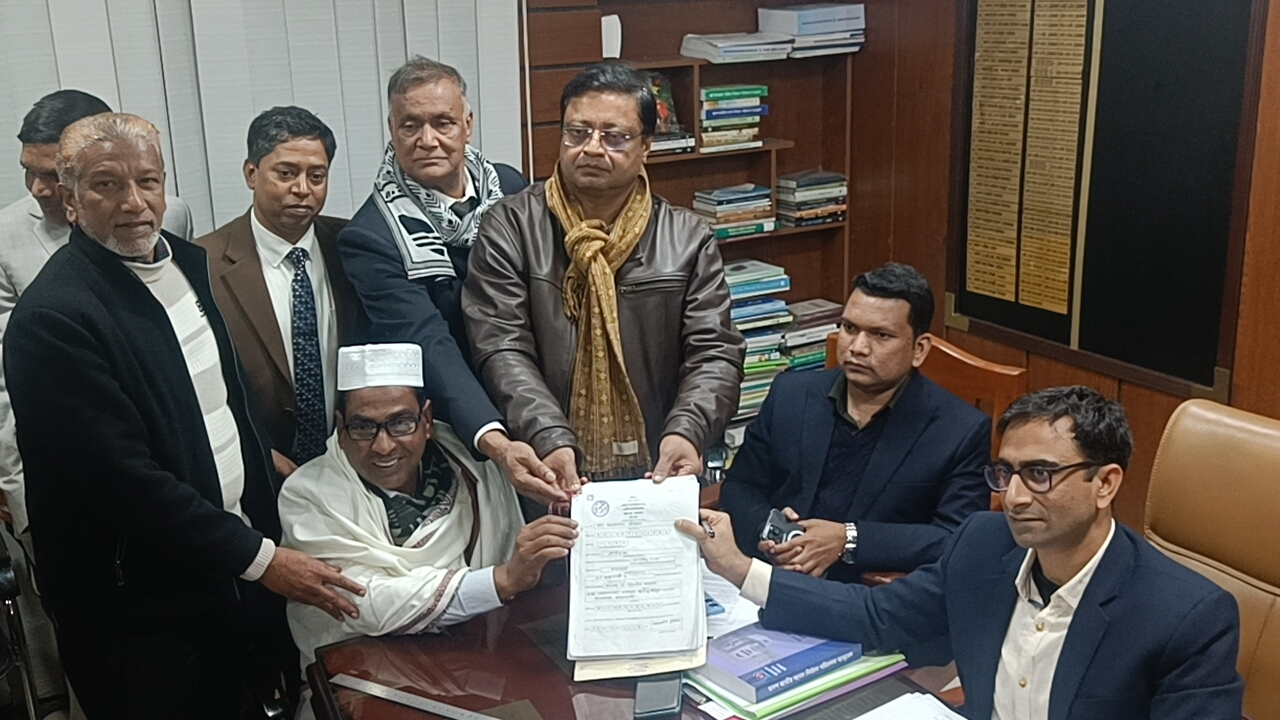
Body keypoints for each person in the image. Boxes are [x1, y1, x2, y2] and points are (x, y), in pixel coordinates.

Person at [4, 113, 367, 719]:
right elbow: (124, 483)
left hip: (219, 573)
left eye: (148, 181)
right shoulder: (54, 319)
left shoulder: (183, 265)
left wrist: (258, 472)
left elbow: (219, 399)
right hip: (136, 609)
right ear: (69, 200)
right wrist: (263, 560)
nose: (134, 203)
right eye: (106, 184)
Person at [682, 386, 1244, 720]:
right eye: (1007, 473)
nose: (1014, 497)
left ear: (1106, 484)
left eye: (1041, 475)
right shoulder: (983, 543)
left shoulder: (1187, 618)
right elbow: (877, 616)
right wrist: (739, 569)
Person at [464, 62, 745, 487]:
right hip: (547, 465)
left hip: (659, 466)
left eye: (614, 137)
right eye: (577, 133)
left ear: (646, 146)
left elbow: (715, 352)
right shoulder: (511, 226)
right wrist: (548, 436)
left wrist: (687, 431)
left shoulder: (687, 237)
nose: (592, 148)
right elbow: (501, 347)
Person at [338, 57, 561, 503]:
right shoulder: (371, 235)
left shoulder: (509, 187)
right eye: (410, 125)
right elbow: (428, 340)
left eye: (443, 123)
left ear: (467, 125)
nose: (428, 140)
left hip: (538, 393)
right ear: (391, 129)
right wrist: (495, 439)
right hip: (458, 420)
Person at [280, 343, 576, 664]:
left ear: (427, 419)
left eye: (401, 423)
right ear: (340, 428)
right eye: (363, 427)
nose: (383, 446)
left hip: (484, 659)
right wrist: (502, 580)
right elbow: (364, 602)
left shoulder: (470, 463)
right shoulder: (307, 494)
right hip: (366, 672)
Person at [0, 89, 193, 538]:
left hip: (169, 458)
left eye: (50, 175)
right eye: (29, 170)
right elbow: (6, 387)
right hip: (67, 469)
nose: (38, 189)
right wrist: (22, 496)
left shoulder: (168, 216)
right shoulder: (6, 239)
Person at [719, 263, 990, 582]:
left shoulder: (960, 430)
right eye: (849, 328)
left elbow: (955, 535)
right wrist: (773, 532)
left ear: (919, 349)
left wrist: (848, 540)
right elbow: (741, 486)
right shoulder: (790, 394)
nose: (857, 348)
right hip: (773, 575)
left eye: (881, 335)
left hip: (868, 592)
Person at [198, 106, 358, 479]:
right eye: (286, 174)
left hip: (352, 465)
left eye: (316, 176)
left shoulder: (352, 247)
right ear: (251, 173)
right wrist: (251, 446)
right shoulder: (203, 262)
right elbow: (196, 383)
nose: (302, 189)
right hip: (253, 468)